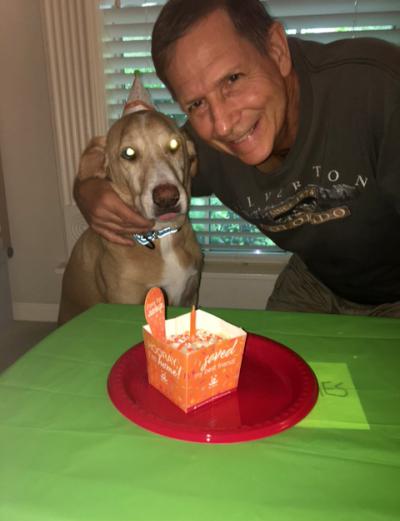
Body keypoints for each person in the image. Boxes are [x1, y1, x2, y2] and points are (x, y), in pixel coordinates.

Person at [74, 0, 400, 317]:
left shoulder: (380, 92)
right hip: (316, 279)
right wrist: (86, 191)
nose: (224, 125)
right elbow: (146, 175)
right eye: (196, 103)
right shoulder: (195, 148)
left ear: (276, 49)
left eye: (232, 79)